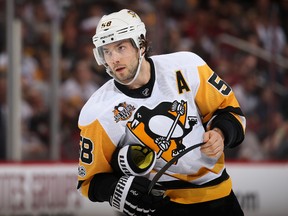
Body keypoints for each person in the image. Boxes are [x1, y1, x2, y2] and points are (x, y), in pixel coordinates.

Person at [77, 9, 246, 216]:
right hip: (160, 206)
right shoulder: (98, 111)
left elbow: (230, 110)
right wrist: (116, 190)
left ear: (140, 44)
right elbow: (89, 181)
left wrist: (221, 133)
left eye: (121, 47)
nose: (114, 59)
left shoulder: (188, 66)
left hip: (219, 197)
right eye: (107, 51)